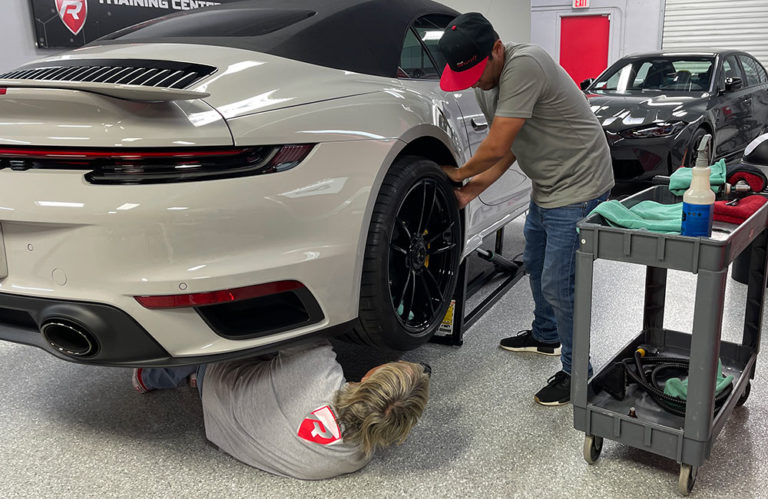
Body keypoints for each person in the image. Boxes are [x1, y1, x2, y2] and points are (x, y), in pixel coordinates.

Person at [437, 13, 614, 406]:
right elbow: (510, 148)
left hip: (581, 183)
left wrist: (457, 173)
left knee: (559, 281)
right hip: (548, 183)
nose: (476, 84)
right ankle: (546, 335)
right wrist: (468, 191)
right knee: (533, 260)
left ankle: (576, 372)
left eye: (478, 73)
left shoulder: (525, 64)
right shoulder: (488, 84)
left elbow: (496, 148)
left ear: (497, 49)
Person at [131, 341, 431, 480]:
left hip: (219, 385)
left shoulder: (316, 370)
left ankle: (149, 376)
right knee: (280, 374)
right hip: (227, 434)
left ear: (370, 376)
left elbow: (296, 316)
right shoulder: (358, 457)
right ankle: (195, 379)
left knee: (232, 340)